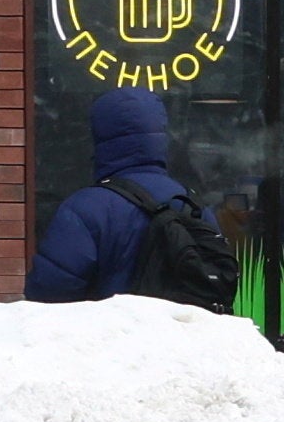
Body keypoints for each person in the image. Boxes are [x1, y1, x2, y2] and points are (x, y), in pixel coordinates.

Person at [27, 86, 215, 306]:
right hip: (182, 328)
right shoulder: (193, 205)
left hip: (109, 328)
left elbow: (49, 294)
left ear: (101, 137)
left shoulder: (84, 210)